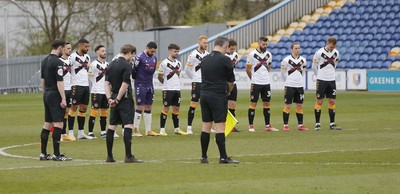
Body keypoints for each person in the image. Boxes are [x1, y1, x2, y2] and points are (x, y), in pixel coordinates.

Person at [199, 36, 239, 164]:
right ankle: (223, 157)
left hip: (204, 95)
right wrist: (228, 92)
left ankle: (204, 157)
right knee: (220, 126)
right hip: (217, 95)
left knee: (206, 126)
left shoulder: (204, 59)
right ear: (225, 46)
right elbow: (231, 81)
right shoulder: (226, 59)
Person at [104, 44, 143, 163]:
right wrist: (118, 100)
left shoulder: (110, 64)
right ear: (130, 53)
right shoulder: (127, 65)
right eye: (133, 55)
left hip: (113, 96)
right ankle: (128, 156)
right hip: (124, 99)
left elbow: (106, 83)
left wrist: (110, 98)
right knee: (128, 125)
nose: (133, 57)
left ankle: (109, 156)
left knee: (111, 126)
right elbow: (125, 85)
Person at [39, 39, 72, 161]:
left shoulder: (44, 61)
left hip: (47, 93)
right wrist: (63, 98)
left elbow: (42, 81)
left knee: (47, 123)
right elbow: (60, 81)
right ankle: (57, 154)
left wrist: (45, 93)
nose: (64, 51)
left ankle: (43, 154)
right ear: (59, 48)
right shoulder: (58, 62)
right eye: (64, 49)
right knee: (59, 123)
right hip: (55, 94)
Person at [246, 36, 279, 132]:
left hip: (266, 83)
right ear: (259, 43)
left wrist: (265, 76)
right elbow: (247, 69)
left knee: (267, 103)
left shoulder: (269, 54)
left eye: (266, 44)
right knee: (253, 103)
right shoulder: (252, 54)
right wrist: (253, 79)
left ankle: (268, 125)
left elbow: (269, 67)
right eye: (263, 44)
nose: (265, 46)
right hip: (256, 83)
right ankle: (251, 126)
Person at [312, 36, 342, 131]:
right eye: (331, 46)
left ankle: (332, 123)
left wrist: (331, 73)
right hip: (321, 80)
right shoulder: (319, 53)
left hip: (331, 80)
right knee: (319, 101)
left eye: (333, 47)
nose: (332, 48)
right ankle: (317, 123)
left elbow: (335, 64)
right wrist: (319, 76)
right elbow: (314, 66)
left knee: (332, 101)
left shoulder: (336, 53)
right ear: (327, 43)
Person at [157, 43, 187, 136]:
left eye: (178, 51)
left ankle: (177, 129)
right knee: (166, 108)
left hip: (177, 89)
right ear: (170, 51)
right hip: (167, 89)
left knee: (176, 108)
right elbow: (159, 76)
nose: (177, 53)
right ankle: (162, 129)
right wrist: (166, 84)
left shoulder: (179, 63)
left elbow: (178, 75)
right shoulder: (164, 63)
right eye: (175, 51)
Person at [68, 38, 94, 139]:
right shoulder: (72, 57)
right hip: (76, 85)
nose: (87, 48)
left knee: (83, 108)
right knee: (73, 107)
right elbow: (68, 70)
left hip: (86, 86)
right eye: (85, 46)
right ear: (80, 46)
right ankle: (70, 132)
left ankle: (81, 132)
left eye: (88, 47)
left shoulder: (87, 57)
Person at [132, 41, 159, 137]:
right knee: (139, 106)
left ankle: (148, 130)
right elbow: (134, 70)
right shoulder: (139, 57)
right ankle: (135, 130)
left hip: (150, 85)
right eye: (151, 51)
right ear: (147, 48)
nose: (153, 53)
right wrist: (137, 81)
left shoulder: (154, 58)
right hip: (140, 85)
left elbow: (153, 71)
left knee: (149, 107)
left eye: (154, 52)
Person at [280, 42, 309, 131]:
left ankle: (300, 125)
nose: (298, 50)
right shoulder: (286, 60)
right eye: (296, 48)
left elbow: (303, 71)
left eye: (299, 48)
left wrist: (298, 80)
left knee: (299, 105)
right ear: (291, 49)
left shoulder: (303, 60)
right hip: (289, 86)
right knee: (288, 105)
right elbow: (283, 73)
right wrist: (288, 81)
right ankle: (285, 125)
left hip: (299, 86)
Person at [185, 35, 209, 134]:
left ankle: (208, 126)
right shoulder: (193, 55)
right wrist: (194, 78)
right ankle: (189, 127)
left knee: (208, 104)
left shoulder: (208, 55)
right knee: (194, 103)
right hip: (197, 82)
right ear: (199, 43)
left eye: (207, 43)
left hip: (206, 83)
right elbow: (187, 70)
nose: (206, 45)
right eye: (204, 43)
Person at [87, 45, 109, 138]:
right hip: (96, 91)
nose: (104, 52)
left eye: (105, 51)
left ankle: (103, 132)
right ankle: (90, 132)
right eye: (102, 51)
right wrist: (96, 86)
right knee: (94, 111)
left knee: (104, 111)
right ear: (97, 52)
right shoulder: (93, 64)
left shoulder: (108, 65)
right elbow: (90, 77)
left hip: (106, 92)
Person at [59, 42, 76, 141]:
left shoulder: (70, 60)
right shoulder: (58, 61)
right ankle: (58, 134)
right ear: (63, 49)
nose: (70, 50)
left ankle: (64, 134)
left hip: (69, 89)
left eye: (71, 48)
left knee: (66, 111)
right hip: (62, 89)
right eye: (68, 48)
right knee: (60, 111)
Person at [225, 39, 240, 132]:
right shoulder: (222, 56)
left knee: (233, 104)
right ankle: (220, 125)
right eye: (231, 49)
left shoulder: (235, 55)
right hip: (224, 83)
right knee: (222, 105)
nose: (233, 51)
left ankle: (231, 126)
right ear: (227, 47)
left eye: (234, 49)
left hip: (233, 82)